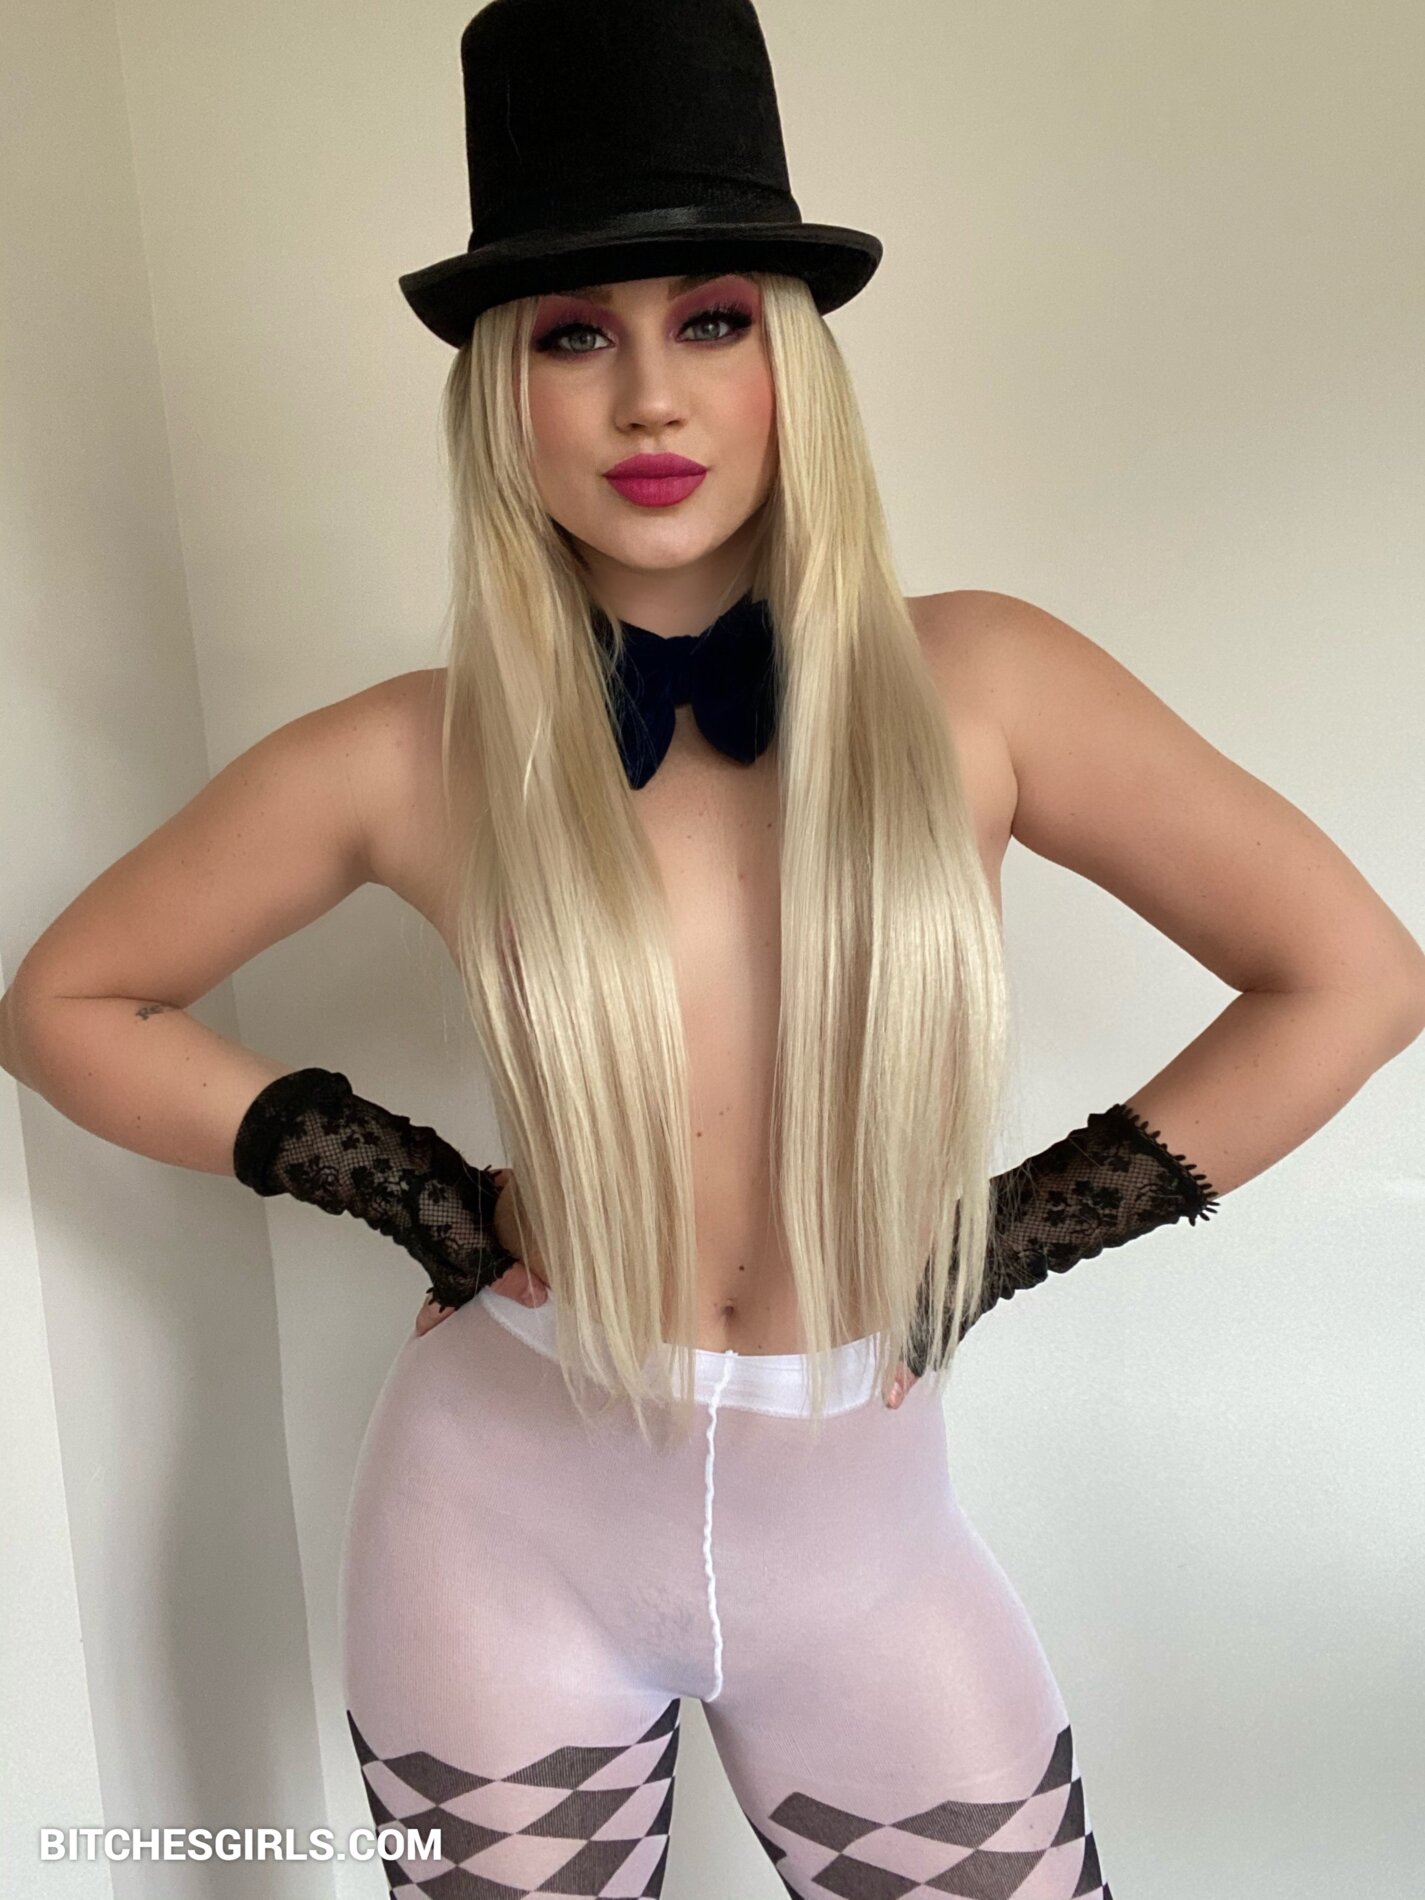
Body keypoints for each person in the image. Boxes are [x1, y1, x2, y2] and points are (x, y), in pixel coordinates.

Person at [4, 3, 1422, 1896]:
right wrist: (411, 1189)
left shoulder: (984, 679)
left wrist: (999, 1242)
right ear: (500, 390)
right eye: (574, 336)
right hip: (493, 1524)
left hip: (863, 1546)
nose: (649, 402)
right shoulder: (412, 752)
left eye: (712, 321)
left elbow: (1352, 973)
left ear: (791, 359)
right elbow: (66, 1003)